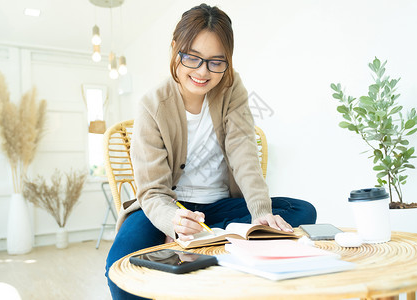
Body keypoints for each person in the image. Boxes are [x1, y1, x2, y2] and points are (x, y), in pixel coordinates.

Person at [105, 3, 317, 299]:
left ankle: (208, 236)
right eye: (193, 58)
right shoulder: (152, 105)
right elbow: (152, 191)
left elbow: (244, 153)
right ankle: (218, 237)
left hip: (220, 205)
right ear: (174, 49)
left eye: (217, 62)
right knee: (119, 265)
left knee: (301, 211)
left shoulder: (232, 88)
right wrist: (173, 222)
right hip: (170, 206)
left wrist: (260, 213)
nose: (203, 72)